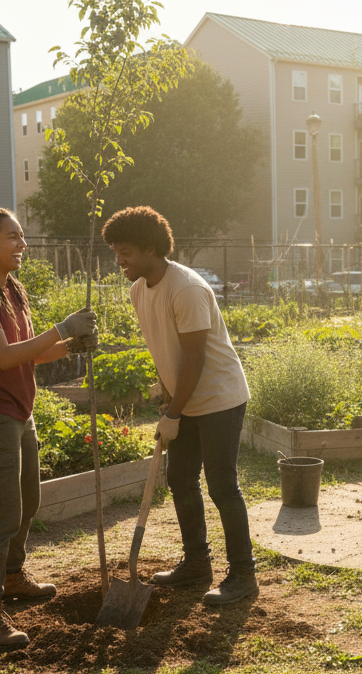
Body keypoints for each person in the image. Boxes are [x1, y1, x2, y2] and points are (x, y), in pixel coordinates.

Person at [0, 206, 97, 648]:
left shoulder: (11, 288)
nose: (22, 245)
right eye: (13, 237)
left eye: (22, 236)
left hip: (18, 411)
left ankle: (12, 577)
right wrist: (60, 328)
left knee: (27, 502)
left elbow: (28, 352)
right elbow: (2, 356)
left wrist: (70, 344)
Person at [105, 206, 258, 605]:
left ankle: (244, 576)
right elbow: (164, 345)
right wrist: (166, 392)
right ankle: (196, 563)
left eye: (126, 253)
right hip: (185, 396)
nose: (119, 262)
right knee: (180, 479)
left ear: (152, 249)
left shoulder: (187, 288)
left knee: (222, 485)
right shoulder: (139, 289)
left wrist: (174, 415)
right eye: (116, 253)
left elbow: (195, 359)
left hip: (219, 397)